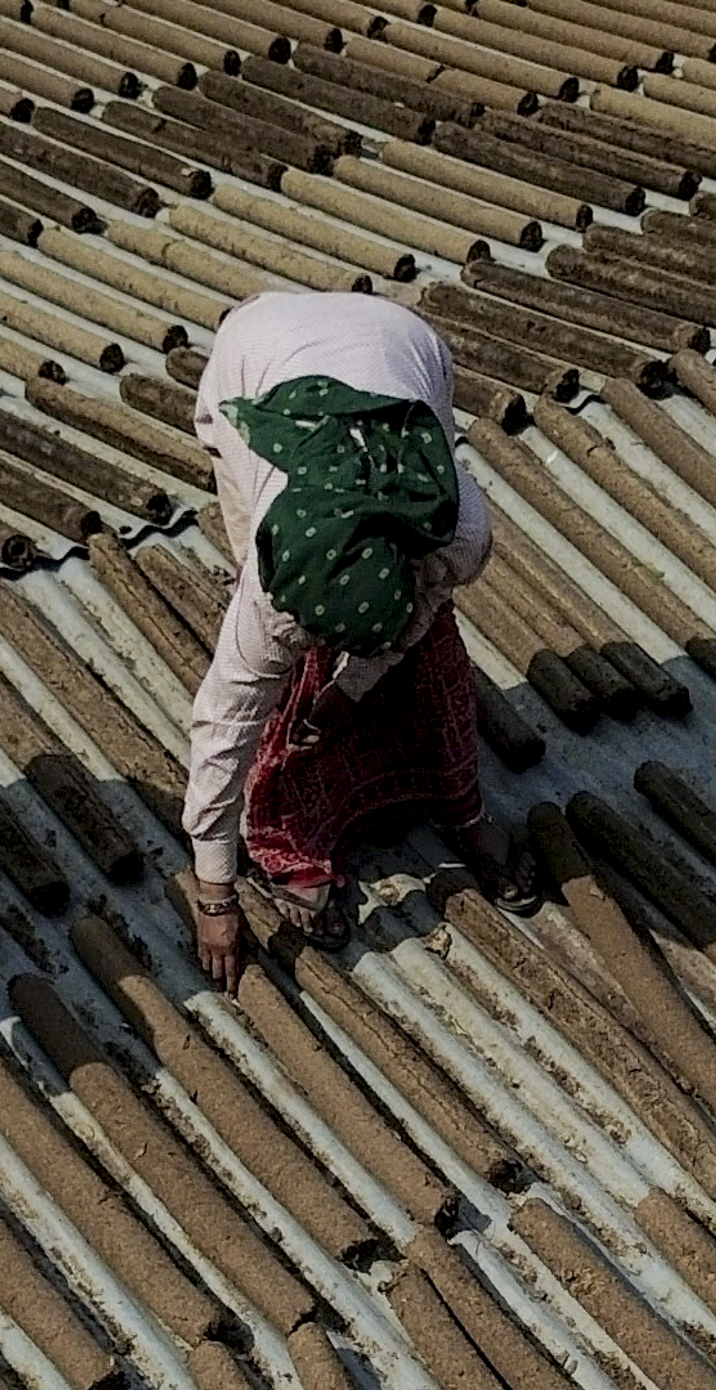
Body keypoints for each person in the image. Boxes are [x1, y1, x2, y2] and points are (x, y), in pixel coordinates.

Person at [181, 290, 510, 988]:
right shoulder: (273, 586)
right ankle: (291, 830)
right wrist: (214, 891)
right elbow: (221, 723)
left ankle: (456, 800)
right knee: (273, 690)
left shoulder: (456, 528)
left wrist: (350, 692)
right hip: (253, 358)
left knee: (426, 651)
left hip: (399, 341)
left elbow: (419, 610)